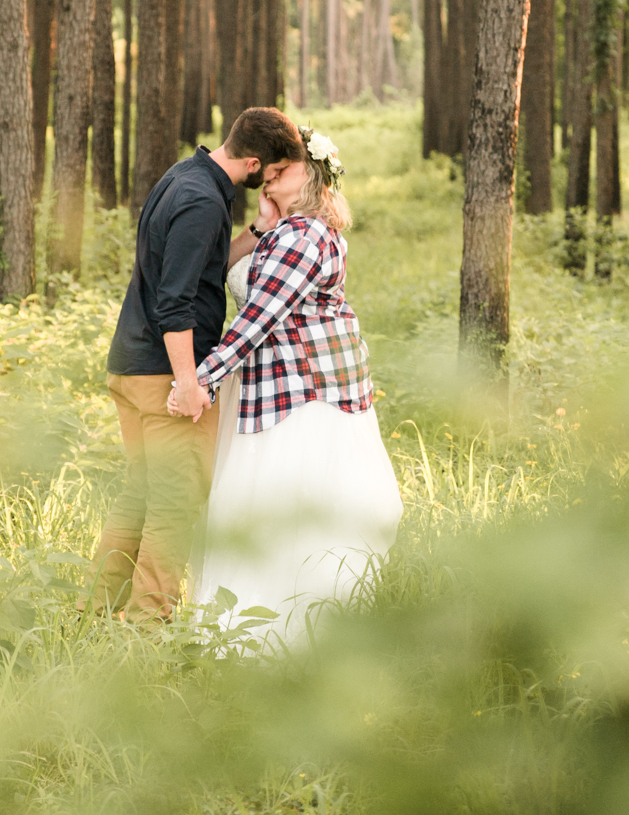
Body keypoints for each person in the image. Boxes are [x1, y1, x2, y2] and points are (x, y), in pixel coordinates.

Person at [181, 126, 403, 645]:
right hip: (269, 388)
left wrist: (199, 380)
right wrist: (259, 227)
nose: (272, 170)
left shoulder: (305, 235)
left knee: (286, 508)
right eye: (271, 165)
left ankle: (289, 636)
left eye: (288, 164)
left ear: (313, 178)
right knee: (255, 508)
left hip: (302, 393)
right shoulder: (282, 232)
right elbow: (228, 279)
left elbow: (259, 316)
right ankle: (248, 631)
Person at [95, 107, 306, 620]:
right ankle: (147, 628)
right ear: (255, 164)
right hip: (163, 373)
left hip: (131, 365)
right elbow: (175, 302)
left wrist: (257, 231)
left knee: (141, 495)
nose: (273, 183)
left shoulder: (186, 177)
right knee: (173, 505)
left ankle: (96, 611)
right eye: (273, 173)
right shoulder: (203, 202)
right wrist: (189, 383)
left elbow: (201, 267)